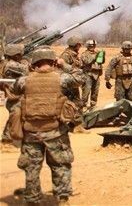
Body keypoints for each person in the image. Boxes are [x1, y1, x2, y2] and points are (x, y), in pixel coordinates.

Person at [12, 46, 81, 206]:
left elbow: (16, 88)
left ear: (33, 63)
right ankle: (62, 199)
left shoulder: (24, 81)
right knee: (60, 165)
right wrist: (64, 65)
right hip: (56, 132)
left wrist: (30, 72)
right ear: (53, 61)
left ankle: (32, 200)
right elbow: (80, 77)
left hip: (31, 133)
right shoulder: (61, 79)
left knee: (31, 168)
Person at [0, 44, 29, 147]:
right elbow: (27, 70)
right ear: (15, 55)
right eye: (20, 54)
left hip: (14, 94)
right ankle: (8, 139)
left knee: (15, 116)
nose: (21, 56)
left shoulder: (7, 63)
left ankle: (7, 138)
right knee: (16, 115)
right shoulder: (11, 65)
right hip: (14, 96)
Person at [79, 39, 104, 111]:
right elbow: (87, 62)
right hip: (88, 74)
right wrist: (95, 57)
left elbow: (101, 62)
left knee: (95, 92)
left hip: (96, 75)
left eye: (93, 45)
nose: (92, 47)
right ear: (87, 46)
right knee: (86, 92)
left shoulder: (97, 53)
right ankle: (83, 107)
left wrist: (102, 55)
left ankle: (93, 106)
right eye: (90, 46)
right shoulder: (84, 54)